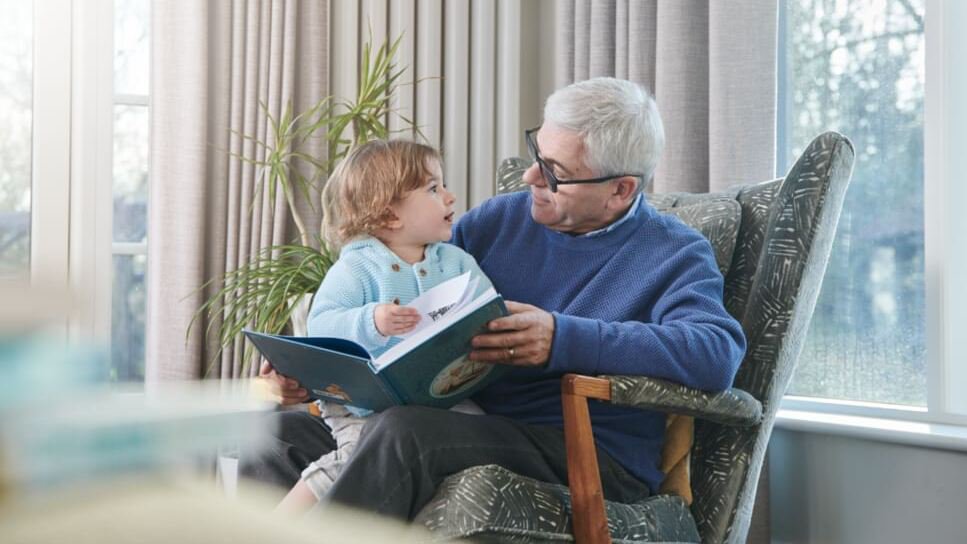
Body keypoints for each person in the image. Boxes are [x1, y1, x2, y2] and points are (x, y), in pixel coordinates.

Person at [241, 77, 747, 522]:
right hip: (465, 417)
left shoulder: (673, 253)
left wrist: (562, 337)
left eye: (554, 172)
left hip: (582, 450)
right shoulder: (499, 220)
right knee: (277, 433)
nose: (529, 178)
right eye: (536, 156)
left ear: (620, 189)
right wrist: (312, 371)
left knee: (405, 436)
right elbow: (409, 301)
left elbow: (716, 352)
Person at [254, 139, 493, 514]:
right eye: (433, 189)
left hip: (440, 398)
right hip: (359, 405)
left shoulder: (458, 262)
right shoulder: (356, 268)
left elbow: (486, 310)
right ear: (388, 217)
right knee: (355, 455)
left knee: (481, 432)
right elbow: (323, 326)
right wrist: (372, 321)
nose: (450, 196)